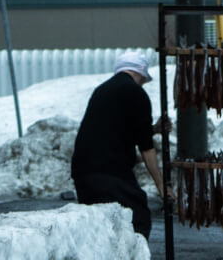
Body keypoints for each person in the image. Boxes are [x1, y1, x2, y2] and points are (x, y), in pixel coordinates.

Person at [71, 52, 172, 239]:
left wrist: (154, 129)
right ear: (141, 73)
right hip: (110, 173)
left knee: (101, 226)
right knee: (137, 218)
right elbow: (146, 148)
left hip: (84, 172)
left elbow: (116, 129)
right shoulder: (135, 93)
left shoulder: (103, 90)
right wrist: (161, 186)